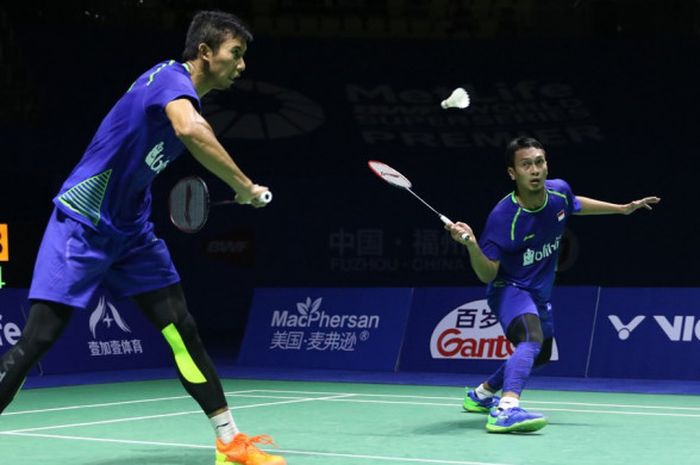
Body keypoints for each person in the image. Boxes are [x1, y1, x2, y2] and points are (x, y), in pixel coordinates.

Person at [0, 10, 286, 465]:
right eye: (236, 54)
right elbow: (190, 130)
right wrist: (244, 186)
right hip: (84, 223)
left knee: (181, 329)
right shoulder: (167, 78)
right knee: (39, 337)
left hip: (132, 231)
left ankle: (229, 443)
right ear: (206, 53)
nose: (242, 65)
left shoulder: (186, 95)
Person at [445, 136, 660, 433]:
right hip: (508, 288)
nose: (534, 170)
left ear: (546, 165)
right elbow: (487, 274)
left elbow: (575, 205)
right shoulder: (503, 218)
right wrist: (470, 246)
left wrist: (622, 208)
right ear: (513, 173)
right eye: (525, 165)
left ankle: (480, 395)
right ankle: (506, 409)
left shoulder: (558, 192)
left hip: (539, 292)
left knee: (541, 354)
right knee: (530, 339)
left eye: (539, 162)